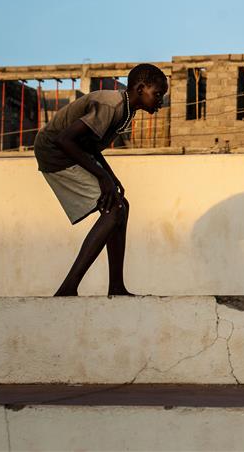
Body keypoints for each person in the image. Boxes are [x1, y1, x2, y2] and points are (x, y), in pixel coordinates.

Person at [34, 63, 168, 296]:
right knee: (114, 208)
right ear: (139, 88)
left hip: (71, 151)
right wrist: (102, 177)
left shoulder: (126, 111)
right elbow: (65, 140)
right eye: (157, 94)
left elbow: (90, 146)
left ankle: (116, 287)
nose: (161, 101)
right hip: (55, 152)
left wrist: (111, 177)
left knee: (121, 205)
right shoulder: (111, 105)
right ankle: (68, 288)